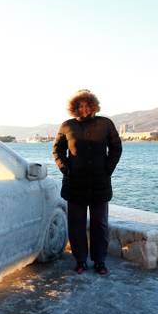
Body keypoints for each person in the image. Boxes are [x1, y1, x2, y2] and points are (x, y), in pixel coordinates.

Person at [52, 90, 122, 275]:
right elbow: (57, 151)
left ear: (93, 106)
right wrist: (67, 170)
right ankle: (80, 260)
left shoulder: (105, 124)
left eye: (87, 105)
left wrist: (107, 169)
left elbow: (116, 148)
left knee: (100, 224)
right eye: (80, 106)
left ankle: (100, 261)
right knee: (76, 224)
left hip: (100, 183)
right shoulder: (67, 126)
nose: (84, 109)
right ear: (74, 108)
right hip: (75, 183)